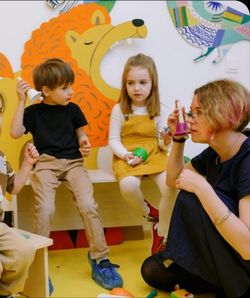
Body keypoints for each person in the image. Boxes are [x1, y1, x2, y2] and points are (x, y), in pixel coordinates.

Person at [10, 58, 123, 290]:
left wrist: (84, 143)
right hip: (45, 163)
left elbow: (81, 135)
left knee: (88, 205)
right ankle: (37, 263)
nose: (71, 91)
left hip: (73, 162)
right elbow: (15, 133)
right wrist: (21, 100)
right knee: (45, 208)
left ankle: (100, 259)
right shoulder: (33, 112)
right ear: (46, 91)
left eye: (70, 86)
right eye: (64, 88)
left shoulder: (73, 109)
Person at [141, 79, 250, 297]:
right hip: (222, 250)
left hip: (243, 257)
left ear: (222, 114)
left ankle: (235, 285)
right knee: (152, 270)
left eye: (198, 113)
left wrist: (204, 189)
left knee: (194, 196)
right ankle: (222, 280)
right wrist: (178, 139)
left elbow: (247, 247)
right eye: (190, 113)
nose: (190, 120)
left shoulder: (247, 158)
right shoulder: (215, 153)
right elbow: (173, 179)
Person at [108, 53, 177, 254]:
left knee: (170, 187)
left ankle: (162, 232)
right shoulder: (119, 109)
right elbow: (113, 140)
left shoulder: (159, 109)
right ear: (125, 85)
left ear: (152, 83)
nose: (136, 88)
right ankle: (151, 216)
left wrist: (166, 140)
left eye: (142, 82)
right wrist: (125, 155)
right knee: (128, 186)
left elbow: (162, 144)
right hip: (128, 153)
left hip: (153, 152)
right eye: (131, 83)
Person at [0, 93, 39, 298]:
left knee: (24, 251)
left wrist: (27, 163)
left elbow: (13, 187)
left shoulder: (0, 157)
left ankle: (6, 292)